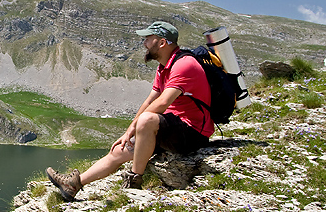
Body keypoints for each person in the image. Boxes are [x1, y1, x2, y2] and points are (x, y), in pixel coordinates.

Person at [46, 21, 213, 201]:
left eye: (149, 39)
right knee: (120, 150)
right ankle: (73, 186)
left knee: (147, 120)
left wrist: (138, 126)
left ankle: (134, 181)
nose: (144, 43)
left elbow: (163, 102)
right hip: (170, 128)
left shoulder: (184, 64)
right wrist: (129, 132)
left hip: (192, 133)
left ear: (162, 43)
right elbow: (151, 99)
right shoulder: (164, 67)